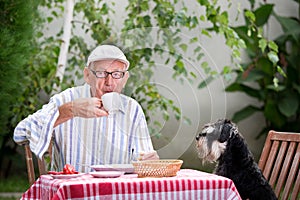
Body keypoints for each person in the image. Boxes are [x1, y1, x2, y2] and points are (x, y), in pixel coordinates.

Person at [14, 44, 158, 172]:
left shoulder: (132, 109)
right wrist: (69, 110)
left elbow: (144, 160)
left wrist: (149, 162)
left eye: (116, 74)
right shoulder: (67, 99)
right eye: (101, 73)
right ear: (87, 75)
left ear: (125, 79)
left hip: (116, 192)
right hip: (71, 193)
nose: (109, 82)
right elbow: (21, 134)